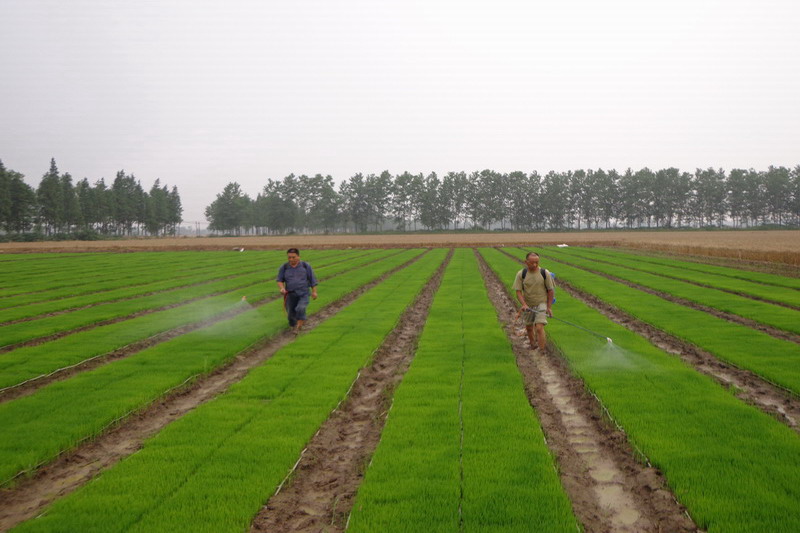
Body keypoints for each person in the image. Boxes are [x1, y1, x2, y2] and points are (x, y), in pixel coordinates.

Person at [512, 251, 554, 354]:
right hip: (528, 305)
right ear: (526, 262)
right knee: (529, 328)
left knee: (539, 328)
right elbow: (518, 291)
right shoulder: (521, 274)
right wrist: (524, 304)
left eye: (537, 262)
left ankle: (542, 350)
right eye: (532, 262)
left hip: (541, 304)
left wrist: (549, 307)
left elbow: (550, 290)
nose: (535, 265)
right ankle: (532, 345)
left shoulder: (545, 273)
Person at [276, 248, 318, 335]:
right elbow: (280, 280)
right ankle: (293, 325)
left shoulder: (305, 266)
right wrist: (282, 288)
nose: (291, 259)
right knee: (290, 314)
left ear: (299, 256)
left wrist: (314, 292)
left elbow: (312, 279)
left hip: (303, 293)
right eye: (289, 258)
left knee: (300, 308)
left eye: (293, 257)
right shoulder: (284, 267)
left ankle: (298, 327)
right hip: (290, 294)